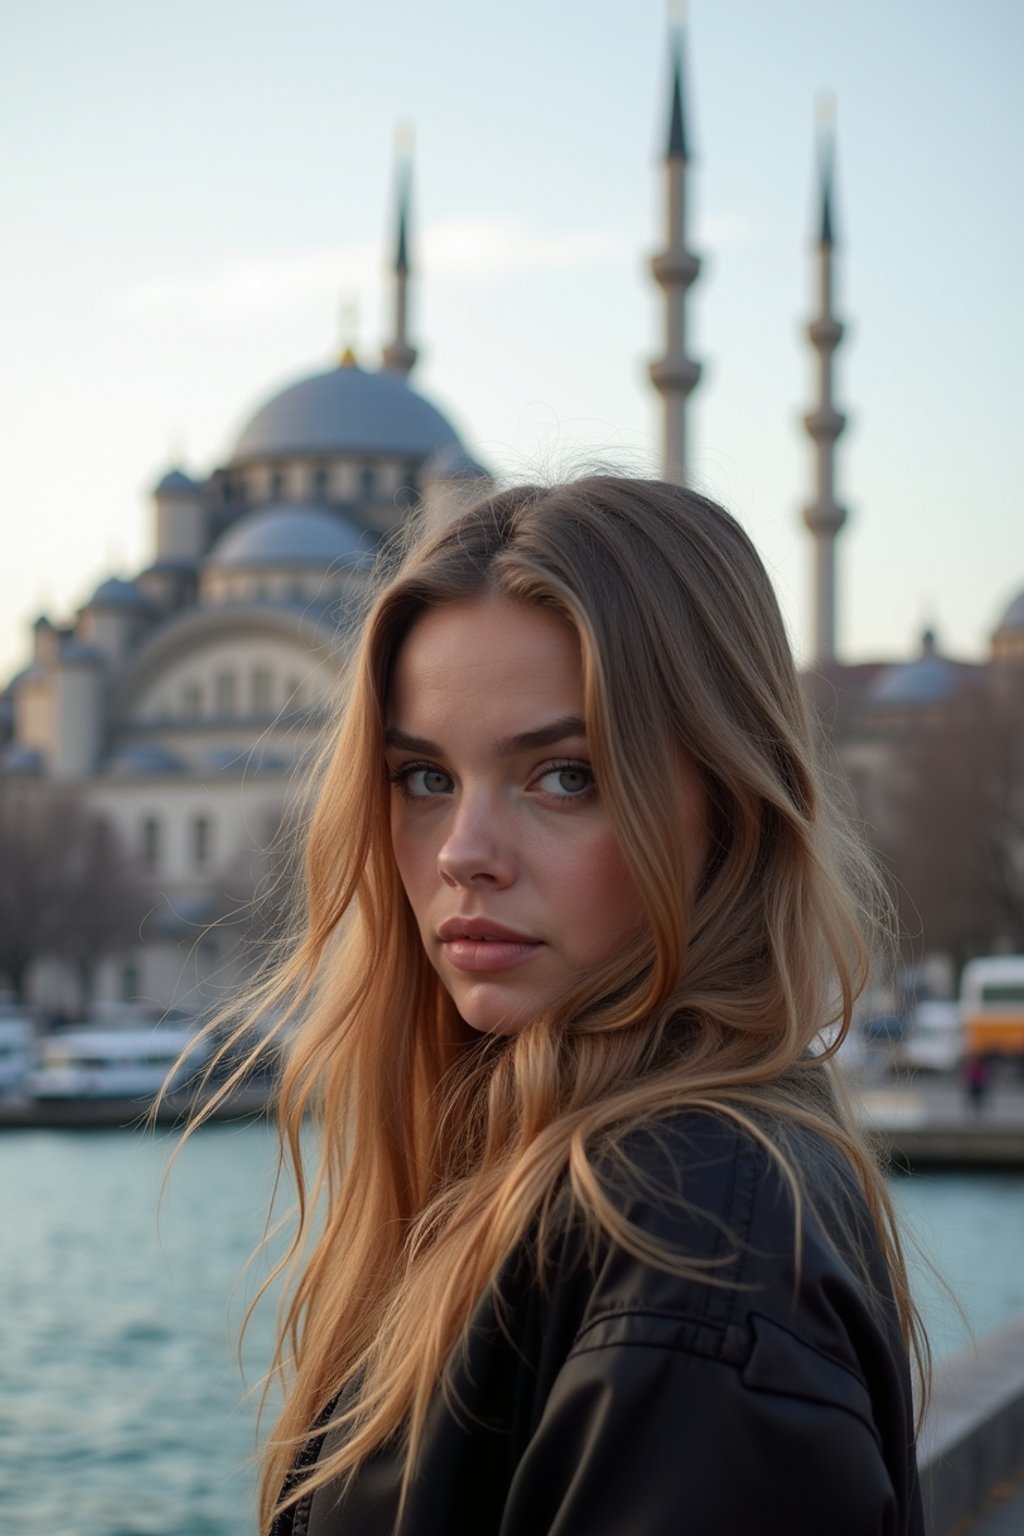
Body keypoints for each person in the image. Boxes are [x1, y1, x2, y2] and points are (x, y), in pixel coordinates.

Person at [220, 477, 926, 1534]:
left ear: (726, 807)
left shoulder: (693, 1232)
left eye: (563, 776)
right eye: (423, 779)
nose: (463, 855)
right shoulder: (551, 1179)